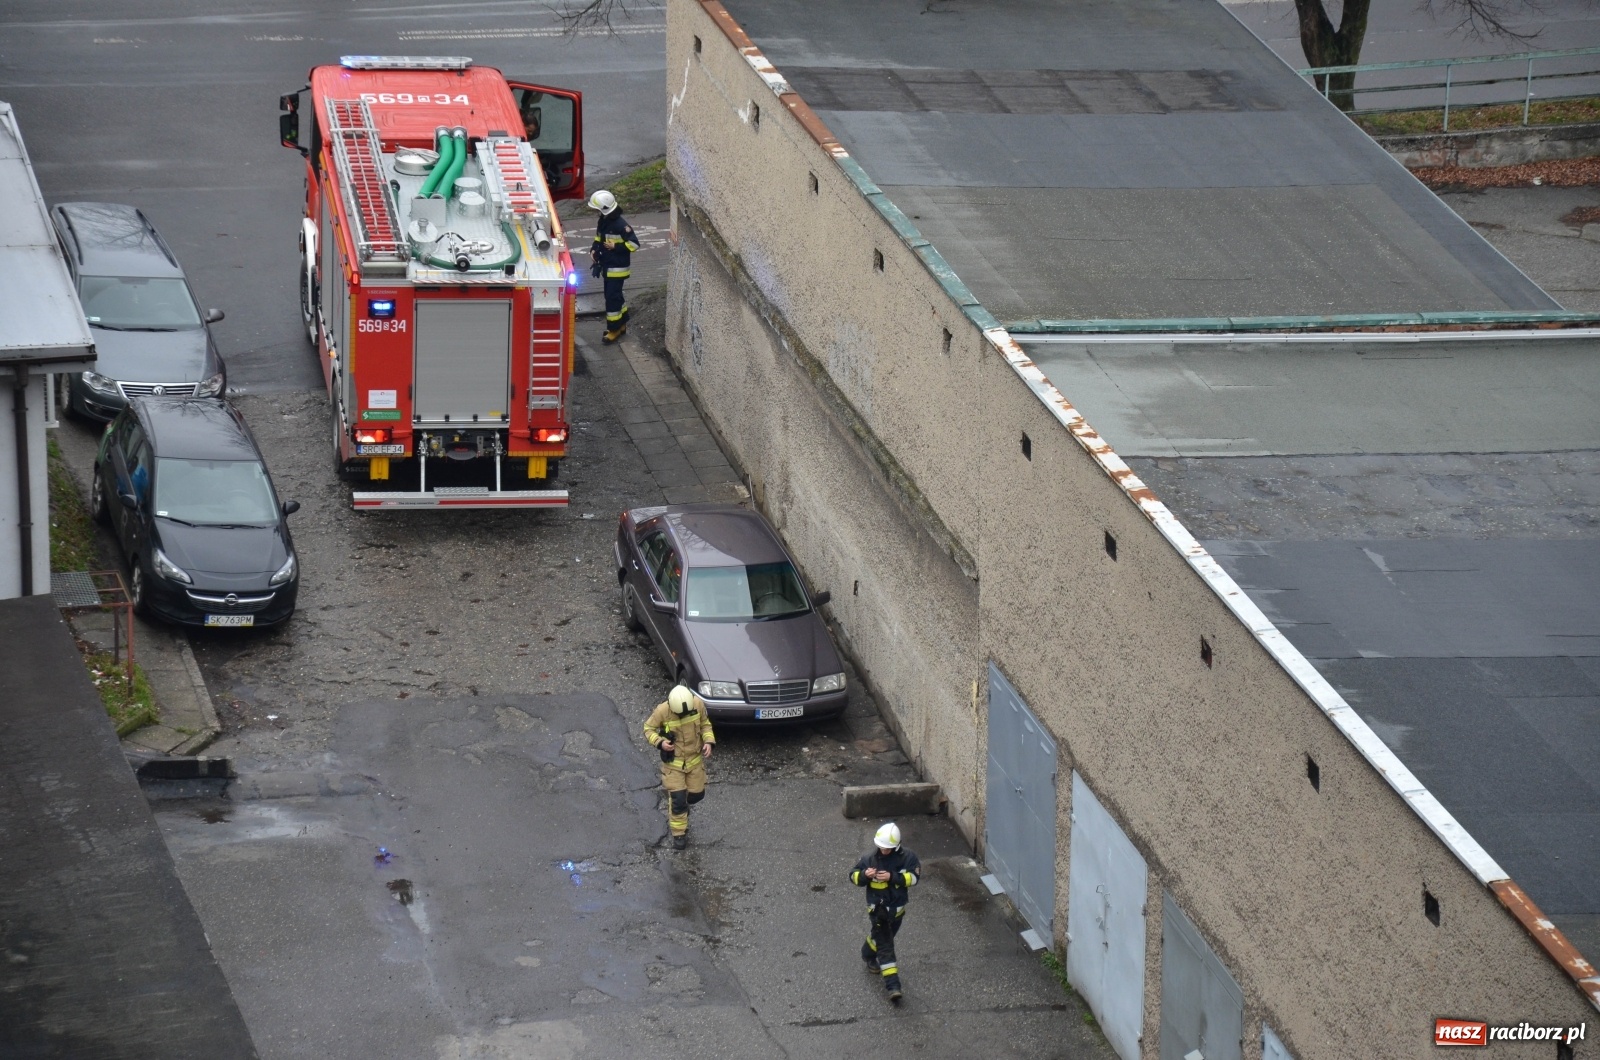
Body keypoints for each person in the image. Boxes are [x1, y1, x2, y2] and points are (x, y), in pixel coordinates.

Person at [850, 822, 921, 1002]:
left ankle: (867, 953)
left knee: (882, 938)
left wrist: (892, 877)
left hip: (897, 911)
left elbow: (914, 878)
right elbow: (853, 876)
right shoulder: (869, 859)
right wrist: (864, 875)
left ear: (896, 846)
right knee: (886, 946)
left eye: (887, 848)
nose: (883, 850)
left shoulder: (908, 858)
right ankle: (893, 986)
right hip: (878, 910)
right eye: (881, 847)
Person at [642, 684, 715, 849]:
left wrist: (709, 742)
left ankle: (682, 809)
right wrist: (660, 742)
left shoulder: (697, 704)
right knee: (678, 800)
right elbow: (648, 729)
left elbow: (705, 724)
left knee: (696, 795)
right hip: (673, 766)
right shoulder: (662, 711)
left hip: (694, 762)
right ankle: (679, 834)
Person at [587, 189, 640, 344]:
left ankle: (614, 329)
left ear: (605, 209)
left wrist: (615, 246)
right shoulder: (604, 221)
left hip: (617, 269)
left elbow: (634, 244)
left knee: (611, 299)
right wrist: (594, 249)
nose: (596, 212)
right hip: (608, 267)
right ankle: (621, 324)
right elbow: (599, 238)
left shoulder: (621, 225)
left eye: (597, 209)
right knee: (615, 296)